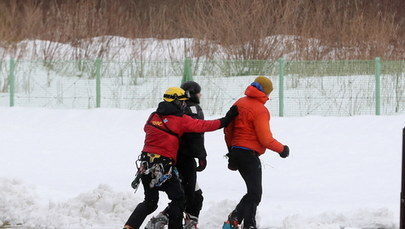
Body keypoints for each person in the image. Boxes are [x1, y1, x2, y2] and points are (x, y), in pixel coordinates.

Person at [123, 87, 238, 229]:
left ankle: (129, 227)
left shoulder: (153, 116)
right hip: (163, 168)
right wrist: (227, 119)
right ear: (176, 102)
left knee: (150, 202)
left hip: (146, 165)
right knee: (179, 199)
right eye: (182, 102)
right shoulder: (180, 120)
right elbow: (204, 126)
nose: (184, 105)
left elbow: (147, 129)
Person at [222, 76, 290, 229]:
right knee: (255, 193)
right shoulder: (260, 110)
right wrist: (282, 150)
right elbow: (265, 139)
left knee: (253, 192)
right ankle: (240, 220)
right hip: (249, 155)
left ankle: (243, 222)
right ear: (265, 92)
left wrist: (231, 151)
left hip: (237, 152)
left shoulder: (239, 103)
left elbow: (228, 129)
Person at [144, 81, 207, 229]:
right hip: (185, 157)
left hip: (168, 157)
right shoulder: (193, 109)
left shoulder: (170, 110)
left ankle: (174, 218)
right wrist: (201, 156)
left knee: (189, 192)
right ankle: (167, 218)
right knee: (189, 194)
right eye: (198, 93)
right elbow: (196, 135)